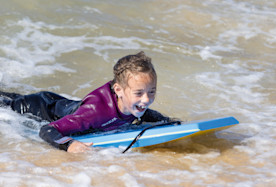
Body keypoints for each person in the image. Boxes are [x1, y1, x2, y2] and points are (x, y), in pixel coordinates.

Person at [0, 51, 173, 153]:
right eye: (139, 93)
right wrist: (68, 144)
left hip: (61, 104)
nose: (146, 99)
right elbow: (47, 129)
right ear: (119, 90)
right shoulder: (95, 113)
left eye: (152, 92)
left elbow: (148, 115)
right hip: (35, 108)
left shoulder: (132, 105)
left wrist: (171, 124)